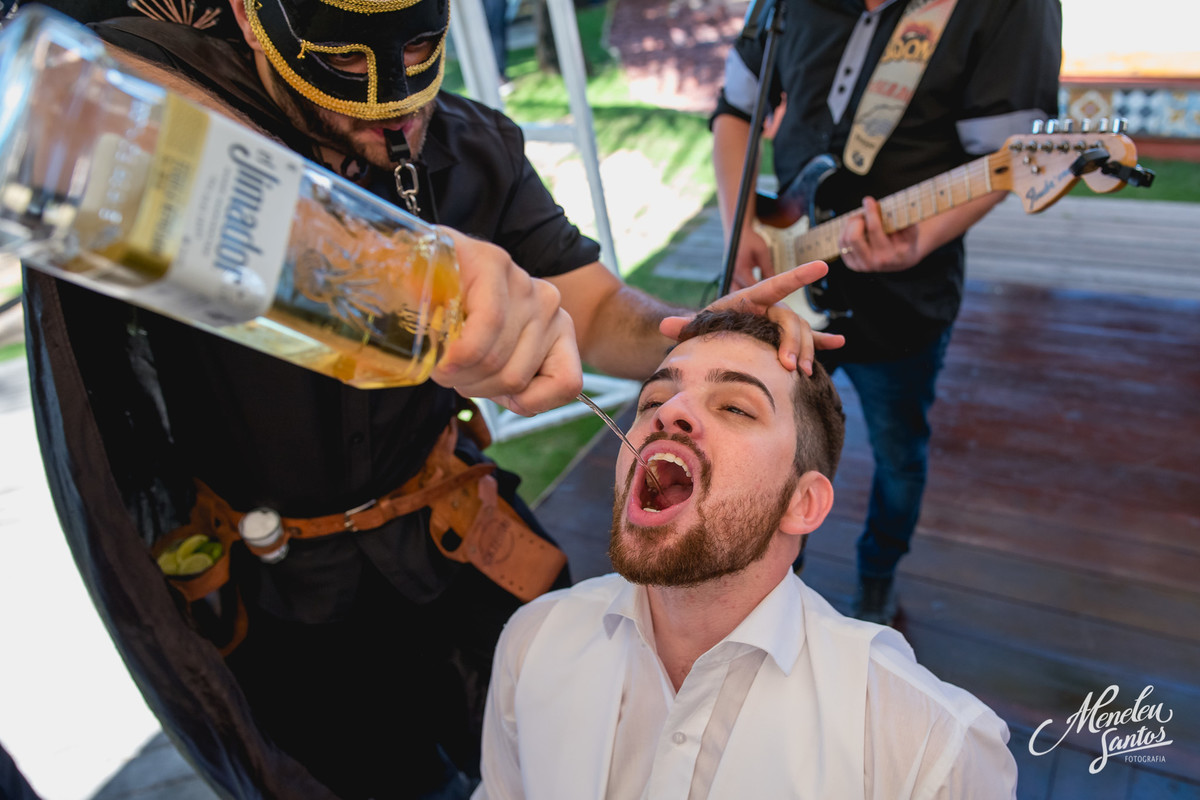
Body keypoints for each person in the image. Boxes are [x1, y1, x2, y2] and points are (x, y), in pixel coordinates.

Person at [21, 1, 841, 798]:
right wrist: (378, 259)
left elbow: (592, 309)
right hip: (283, 590)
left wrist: (693, 334)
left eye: (415, 53)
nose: (391, 109)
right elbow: (44, 88)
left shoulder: (473, 148)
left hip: (446, 537)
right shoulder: (164, 131)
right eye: (343, 62)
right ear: (247, 19)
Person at [474, 309, 1018, 798]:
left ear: (802, 503)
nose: (670, 413)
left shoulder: (929, 751)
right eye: (654, 401)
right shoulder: (532, 642)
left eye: (735, 406)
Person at [710, 0, 1062, 624]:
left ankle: (877, 579)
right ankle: (773, 589)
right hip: (785, 277)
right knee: (766, 451)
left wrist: (921, 239)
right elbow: (737, 110)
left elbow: (1005, 158)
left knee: (900, 456)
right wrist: (738, 223)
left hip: (904, 300)